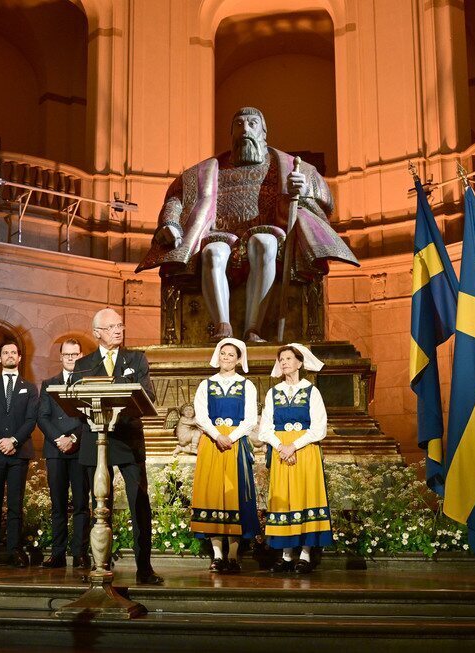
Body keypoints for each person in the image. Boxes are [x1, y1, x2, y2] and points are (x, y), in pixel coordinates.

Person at [136, 107, 359, 342]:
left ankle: (253, 328)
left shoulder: (292, 166)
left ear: (264, 133)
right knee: (212, 252)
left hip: (268, 236)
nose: (245, 129)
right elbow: (177, 198)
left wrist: (302, 191)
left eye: (252, 124)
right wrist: (169, 223)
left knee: (264, 243)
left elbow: (326, 204)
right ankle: (223, 326)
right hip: (221, 235)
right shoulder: (205, 171)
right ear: (231, 133)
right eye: (239, 125)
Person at [71, 308, 162, 585]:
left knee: (139, 502)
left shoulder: (136, 359)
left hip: (127, 437)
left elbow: (148, 394)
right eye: (112, 327)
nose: (118, 331)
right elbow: (73, 397)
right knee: (95, 503)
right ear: (97, 332)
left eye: (120, 326)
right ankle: (98, 563)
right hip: (95, 437)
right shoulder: (83, 363)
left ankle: (144, 567)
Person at [257, 343, 332, 573]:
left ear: (300, 363)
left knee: (306, 497)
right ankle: (287, 555)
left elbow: (319, 428)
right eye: (281, 359)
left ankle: (306, 555)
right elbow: (264, 429)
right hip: (281, 453)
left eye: (289, 358)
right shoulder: (274, 393)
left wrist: (294, 446)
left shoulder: (311, 391)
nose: (284, 362)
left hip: (305, 452)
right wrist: (281, 446)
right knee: (284, 499)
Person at [190, 337, 260, 573]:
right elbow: (201, 416)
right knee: (212, 495)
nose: (227, 358)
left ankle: (232, 555)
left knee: (236, 495)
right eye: (223, 354)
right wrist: (216, 434)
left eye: (231, 355)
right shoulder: (206, 385)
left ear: (239, 359)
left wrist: (231, 436)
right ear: (217, 357)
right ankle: (217, 554)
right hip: (212, 443)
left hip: (235, 444)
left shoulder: (247, 385)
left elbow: (250, 419)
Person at [0, 338, 38, 568]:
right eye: (6, 352)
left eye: (14, 352)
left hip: (19, 452)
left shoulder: (30, 388)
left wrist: (13, 440)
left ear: (20, 357)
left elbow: (31, 419)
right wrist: (0, 441)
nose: (10, 355)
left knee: (15, 504)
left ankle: (14, 550)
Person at [37, 338, 90, 570]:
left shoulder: (88, 383)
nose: (70, 358)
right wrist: (59, 440)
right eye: (67, 354)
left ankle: (80, 554)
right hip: (56, 450)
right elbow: (42, 416)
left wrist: (74, 439)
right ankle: (57, 554)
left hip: (80, 451)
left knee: (80, 504)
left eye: (75, 354)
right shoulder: (49, 384)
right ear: (60, 357)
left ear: (81, 357)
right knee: (58, 505)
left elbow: (89, 416)